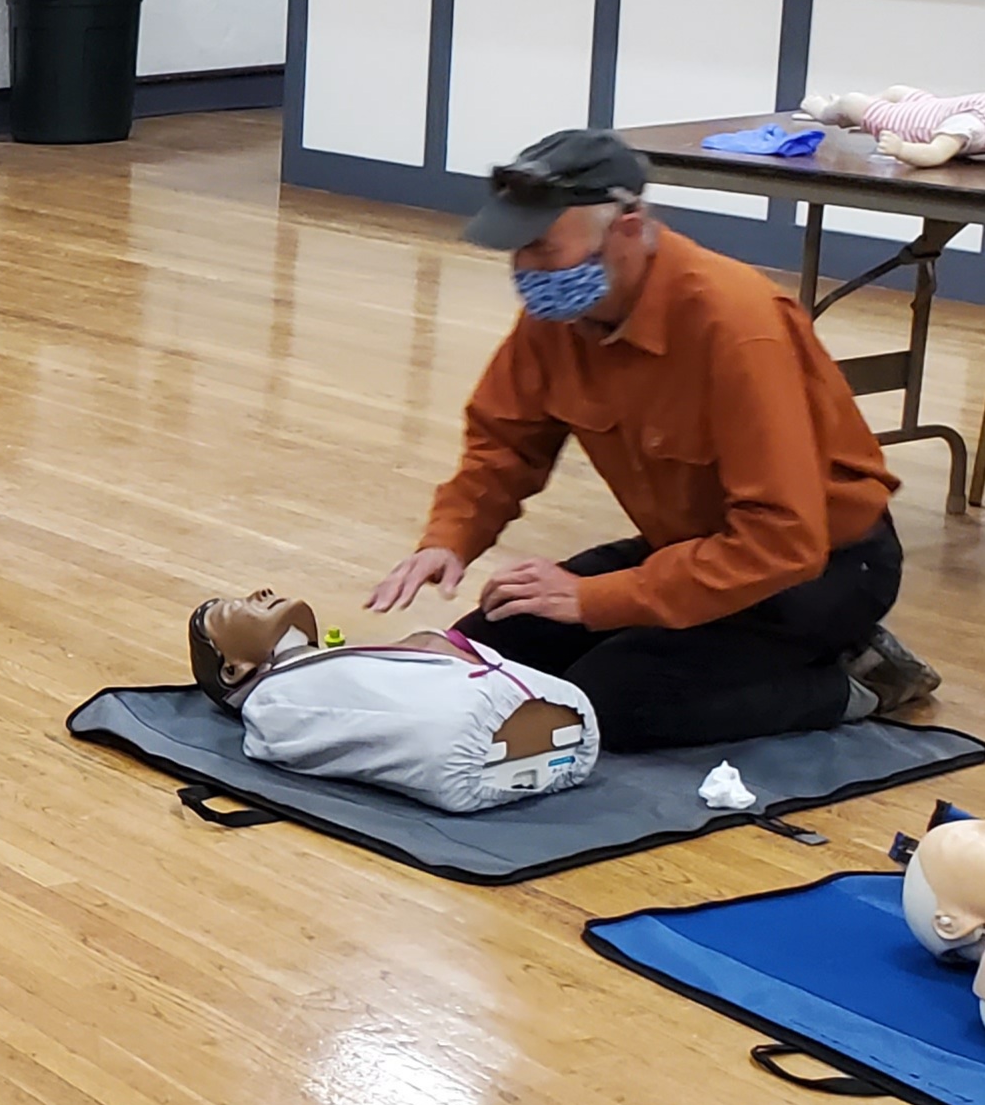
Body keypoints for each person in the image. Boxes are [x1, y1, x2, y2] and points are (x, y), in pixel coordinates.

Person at [368, 127, 937, 750]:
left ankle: (857, 680)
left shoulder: (738, 327)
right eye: (515, 251)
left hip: (822, 568)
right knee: (491, 642)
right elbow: (506, 443)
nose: (525, 270)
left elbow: (782, 539)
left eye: (540, 246)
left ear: (629, 227)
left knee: (613, 702)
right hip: (701, 546)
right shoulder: (559, 317)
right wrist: (450, 538)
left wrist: (596, 599)